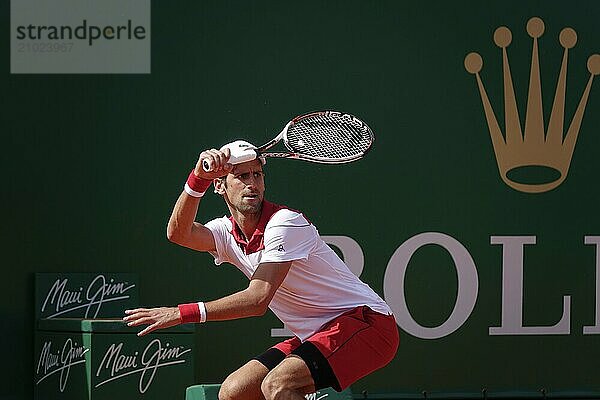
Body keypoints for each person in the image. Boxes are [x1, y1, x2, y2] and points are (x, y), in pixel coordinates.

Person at [123, 141, 399, 400]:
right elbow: (178, 234)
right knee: (234, 391)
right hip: (315, 333)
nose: (252, 184)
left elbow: (257, 300)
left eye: (257, 175)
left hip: (368, 325)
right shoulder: (225, 231)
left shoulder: (285, 223)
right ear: (219, 185)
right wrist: (197, 180)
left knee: (278, 384)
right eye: (241, 177)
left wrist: (181, 313)